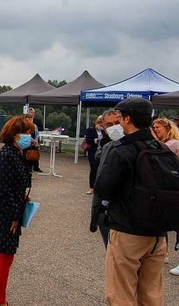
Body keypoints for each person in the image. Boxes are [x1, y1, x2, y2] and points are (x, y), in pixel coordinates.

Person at [94, 97, 166, 305]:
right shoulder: (162, 149)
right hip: (157, 233)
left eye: (119, 118)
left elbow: (103, 188)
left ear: (127, 118)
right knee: (151, 293)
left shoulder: (123, 149)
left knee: (121, 293)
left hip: (128, 231)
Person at [0, 115, 34, 306]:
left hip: (11, 206)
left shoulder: (16, 153)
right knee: (6, 253)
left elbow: (16, 183)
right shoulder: (6, 156)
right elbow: (3, 189)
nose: (30, 136)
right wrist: (13, 216)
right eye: (26, 133)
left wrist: (23, 195)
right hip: (4, 210)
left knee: (8, 253)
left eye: (30, 133)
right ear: (14, 134)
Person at [90, 108, 122, 248]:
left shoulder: (136, 146)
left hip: (124, 214)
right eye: (109, 125)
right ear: (103, 126)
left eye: (117, 122)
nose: (114, 127)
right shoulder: (107, 144)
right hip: (105, 210)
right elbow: (98, 158)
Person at [151, 117, 179, 273]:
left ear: (167, 128)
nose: (155, 130)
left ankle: (164, 252)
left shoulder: (171, 144)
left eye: (158, 127)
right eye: (154, 127)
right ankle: (164, 252)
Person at [84, 116, 103, 195]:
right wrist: (97, 140)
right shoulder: (90, 130)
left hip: (102, 151)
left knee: (101, 169)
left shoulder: (104, 131)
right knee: (94, 169)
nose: (101, 125)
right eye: (100, 123)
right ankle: (91, 187)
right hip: (93, 152)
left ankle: (99, 187)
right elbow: (88, 140)